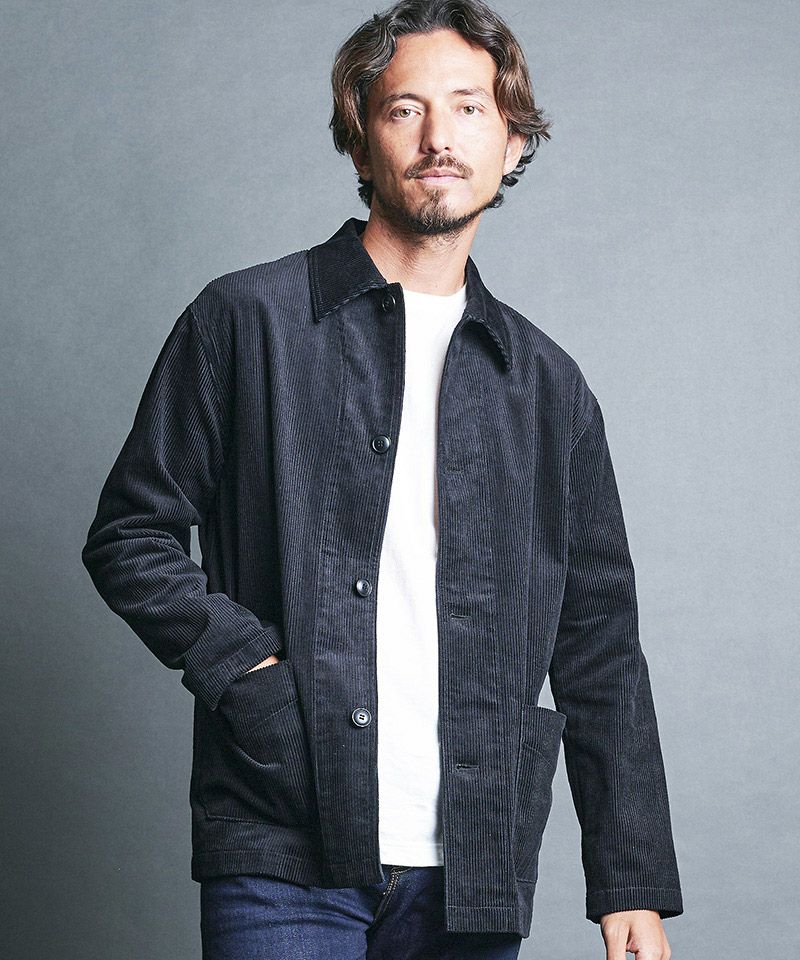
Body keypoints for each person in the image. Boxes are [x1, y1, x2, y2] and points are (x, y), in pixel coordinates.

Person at [81, 1, 684, 957]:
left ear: (512, 143)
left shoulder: (548, 387)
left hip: (474, 863)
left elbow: (600, 643)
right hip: (281, 837)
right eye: (406, 109)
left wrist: (629, 882)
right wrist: (250, 674)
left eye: (470, 108)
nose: (440, 137)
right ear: (361, 140)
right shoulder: (247, 319)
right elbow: (130, 534)